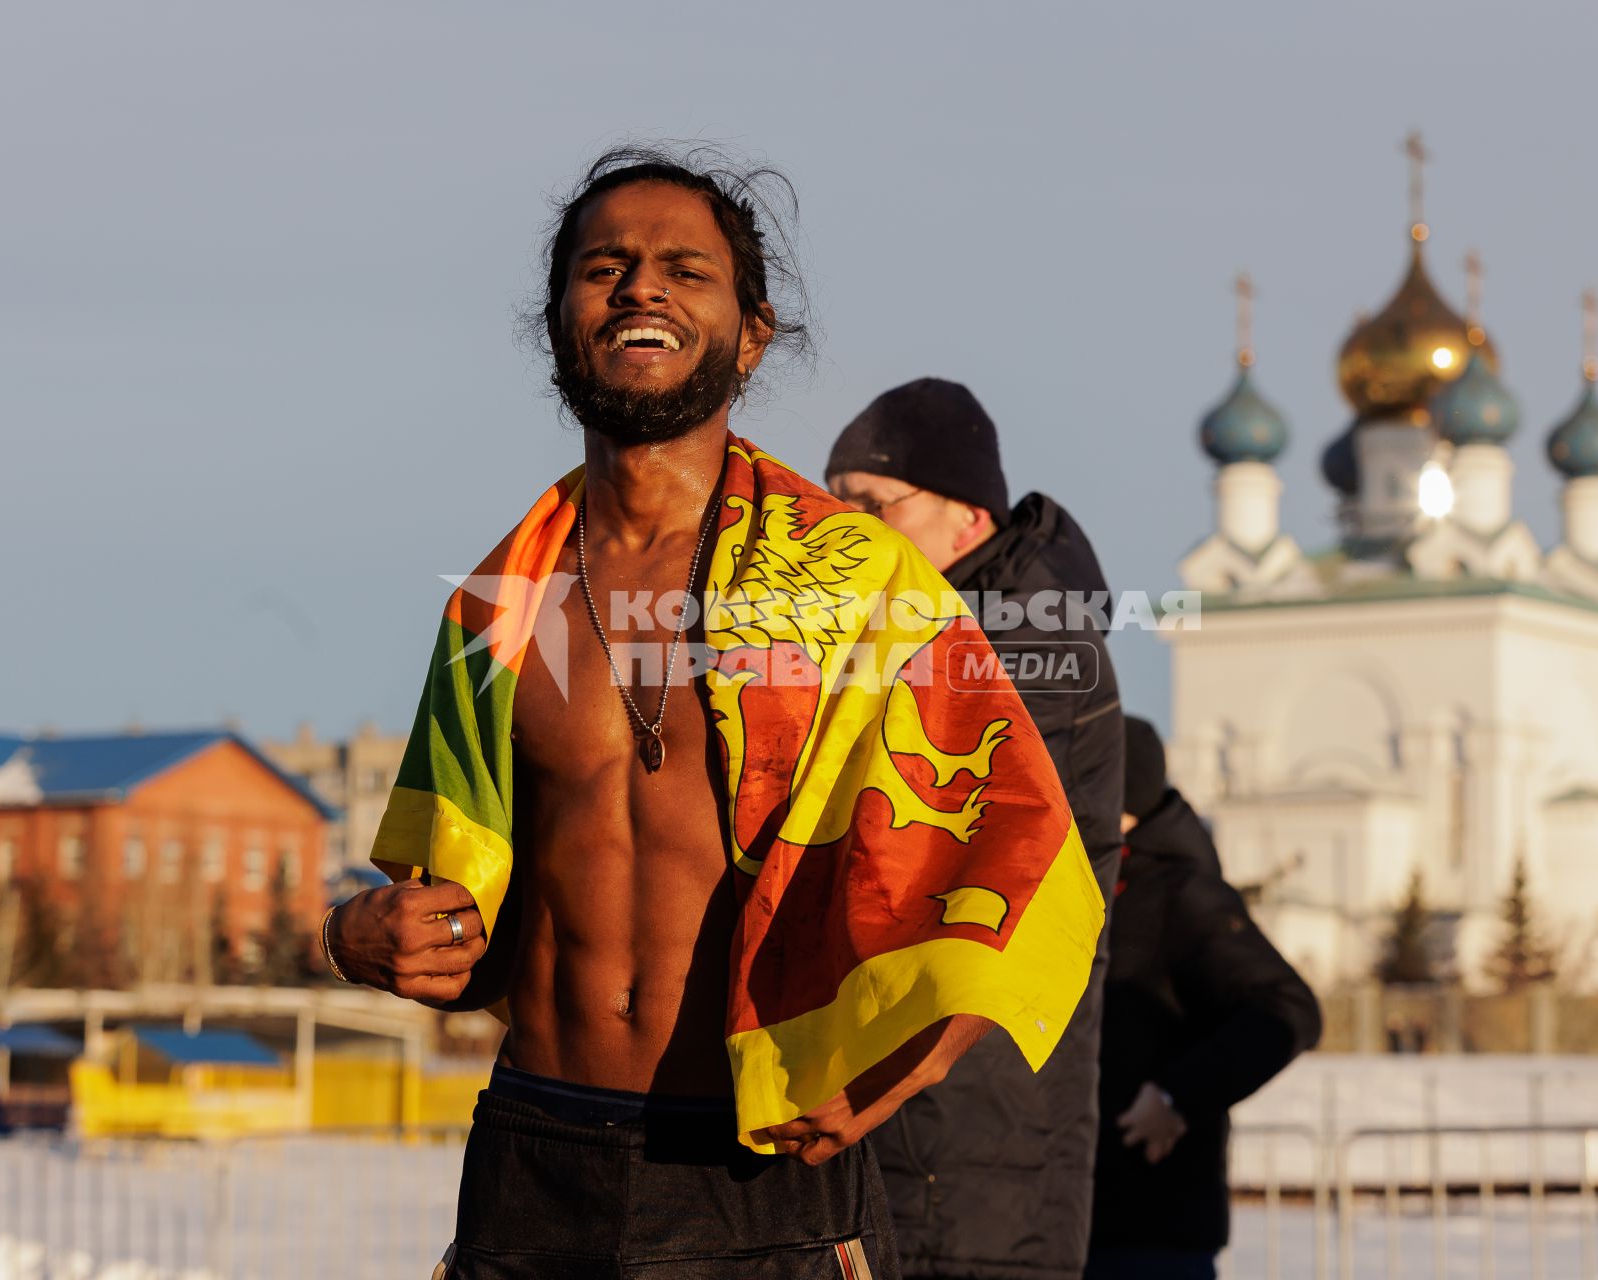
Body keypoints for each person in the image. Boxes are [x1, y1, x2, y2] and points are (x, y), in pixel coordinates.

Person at [323, 146, 1106, 1280]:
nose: (641, 286)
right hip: (534, 1163)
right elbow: (454, 926)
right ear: (557, 322)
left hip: (758, 1175)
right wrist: (354, 938)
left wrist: (917, 1060)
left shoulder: (858, 583)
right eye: (606, 266)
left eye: (685, 268)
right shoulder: (497, 607)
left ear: (751, 333)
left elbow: (1029, 856)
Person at [828, 378, 1125, 1280]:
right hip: (928, 1106)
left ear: (967, 517)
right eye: (835, 506)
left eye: (873, 506)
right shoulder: (940, 625)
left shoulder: (1026, 636)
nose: (848, 534)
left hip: (975, 1115)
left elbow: (939, 846)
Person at [1089, 717, 1323, 1280]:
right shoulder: (1089, 884)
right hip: (1072, 1219)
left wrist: (1175, 1098)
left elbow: (1288, 1009)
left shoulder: (1180, 892)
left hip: (1149, 1231)